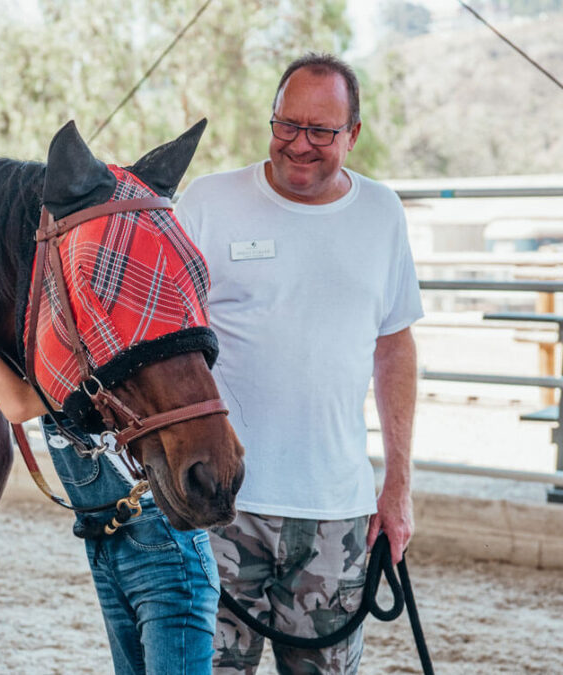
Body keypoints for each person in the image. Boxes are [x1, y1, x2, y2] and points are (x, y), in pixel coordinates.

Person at [175, 52, 423, 674]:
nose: (300, 145)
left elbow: (394, 346)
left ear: (354, 134)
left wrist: (398, 486)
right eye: (287, 124)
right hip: (219, 504)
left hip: (336, 511)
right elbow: (160, 338)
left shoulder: (381, 213)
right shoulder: (207, 201)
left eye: (321, 130)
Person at [0, 232, 220, 674]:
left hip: (161, 545)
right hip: (104, 540)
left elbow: (16, 405)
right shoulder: (52, 337)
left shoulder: (98, 342)